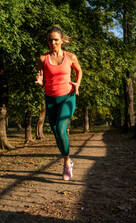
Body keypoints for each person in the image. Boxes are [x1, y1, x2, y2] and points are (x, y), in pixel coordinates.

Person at [35, 26, 82, 181]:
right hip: (50, 99)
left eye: (56, 39)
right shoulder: (43, 59)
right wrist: (41, 82)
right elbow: (41, 77)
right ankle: (67, 158)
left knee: (61, 129)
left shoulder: (70, 57)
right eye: (50, 40)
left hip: (68, 97)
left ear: (62, 40)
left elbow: (79, 70)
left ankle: (67, 163)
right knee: (55, 131)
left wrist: (77, 83)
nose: (53, 42)